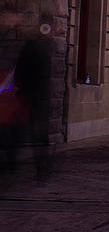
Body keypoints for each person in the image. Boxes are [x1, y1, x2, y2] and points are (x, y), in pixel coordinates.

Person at [13, 29, 53, 179]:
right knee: (37, 133)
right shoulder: (43, 48)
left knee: (33, 132)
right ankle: (41, 167)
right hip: (36, 97)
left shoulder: (41, 46)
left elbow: (19, 72)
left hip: (32, 96)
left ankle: (39, 166)